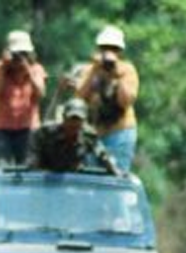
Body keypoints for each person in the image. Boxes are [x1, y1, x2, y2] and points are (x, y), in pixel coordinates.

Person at [75, 25, 139, 172]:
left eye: (113, 49)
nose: (109, 52)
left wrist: (116, 75)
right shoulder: (90, 69)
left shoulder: (127, 70)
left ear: (120, 51)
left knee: (117, 175)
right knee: (90, 176)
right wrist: (95, 70)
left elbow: (125, 101)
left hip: (120, 132)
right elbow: (80, 97)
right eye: (105, 48)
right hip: (93, 133)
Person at [0, 30, 48, 165]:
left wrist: (28, 70)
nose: (18, 58)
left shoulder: (36, 69)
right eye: (16, 54)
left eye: (23, 54)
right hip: (2, 129)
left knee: (27, 167)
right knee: (3, 166)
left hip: (28, 129)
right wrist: (3, 70)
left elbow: (41, 93)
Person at [29, 98, 119, 174]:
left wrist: (113, 167)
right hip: (45, 178)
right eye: (71, 119)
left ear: (84, 121)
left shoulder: (88, 136)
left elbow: (102, 154)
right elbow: (33, 156)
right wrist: (33, 165)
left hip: (73, 178)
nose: (74, 123)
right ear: (64, 118)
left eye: (78, 119)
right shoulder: (46, 133)